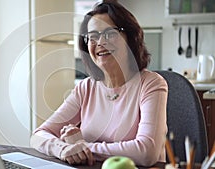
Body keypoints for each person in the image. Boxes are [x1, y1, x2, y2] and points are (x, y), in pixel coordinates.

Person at [30, 0, 168, 167]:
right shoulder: (85, 88)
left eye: (109, 33)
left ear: (130, 38)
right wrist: (63, 148)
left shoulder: (151, 84)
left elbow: (147, 152)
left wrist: (83, 147)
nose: (100, 42)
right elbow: (38, 135)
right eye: (93, 36)